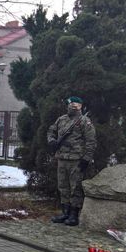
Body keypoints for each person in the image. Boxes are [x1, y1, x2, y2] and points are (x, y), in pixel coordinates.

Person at [47, 96, 96, 226]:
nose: (72, 107)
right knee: (63, 187)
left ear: (80, 106)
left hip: (76, 159)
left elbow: (91, 141)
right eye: (70, 105)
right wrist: (51, 141)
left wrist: (86, 159)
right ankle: (65, 212)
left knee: (75, 187)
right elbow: (51, 130)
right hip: (62, 158)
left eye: (75, 105)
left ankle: (74, 215)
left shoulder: (84, 121)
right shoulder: (61, 119)